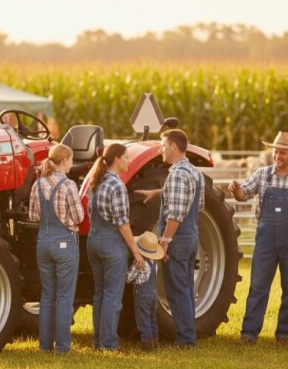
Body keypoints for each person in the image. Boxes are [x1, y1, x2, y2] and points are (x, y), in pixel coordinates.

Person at [229, 132, 288, 345]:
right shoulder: (262, 174)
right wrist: (236, 190)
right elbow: (243, 194)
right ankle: (249, 333)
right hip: (265, 239)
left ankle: (284, 334)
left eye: (283, 152)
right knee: (258, 286)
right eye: (276, 152)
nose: (278, 156)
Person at [136, 129, 204, 348]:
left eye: (163, 146)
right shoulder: (194, 172)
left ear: (174, 146)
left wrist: (165, 241)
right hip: (191, 236)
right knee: (186, 289)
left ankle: (185, 339)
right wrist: (158, 193)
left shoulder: (176, 175)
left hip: (177, 240)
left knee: (176, 290)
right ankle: (188, 335)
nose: (160, 150)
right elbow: (197, 205)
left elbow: (175, 215)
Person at [86, 143, 145, 351]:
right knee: (112, 296)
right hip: (111, 245)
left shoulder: (96, 181)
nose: (129, 161)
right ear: (117, 159)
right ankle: (109, 343)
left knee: (100, 294)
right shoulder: (117, 185)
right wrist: (135, 250)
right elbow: (122, 222)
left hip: (93, 242)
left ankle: (98, 342)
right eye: (127, 157)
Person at [28, 143, 84, 354]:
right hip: (64, 244)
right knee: (64, 297)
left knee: (47, 295)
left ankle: (44, 346)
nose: (71, 164)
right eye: (71, 160)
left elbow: (33, 216)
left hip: (43, 243)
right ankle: (62, 347)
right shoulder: (68, 185)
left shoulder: (38, 184)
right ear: (64, 160)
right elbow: (79, 217)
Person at [126, 231, 164, 351]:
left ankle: (147, 344)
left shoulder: (139, 262)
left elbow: (129, 278)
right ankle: (155, 341)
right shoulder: (154, 263)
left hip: (142, 295)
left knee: (143, 319)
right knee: (152, 318)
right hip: (153, 293)